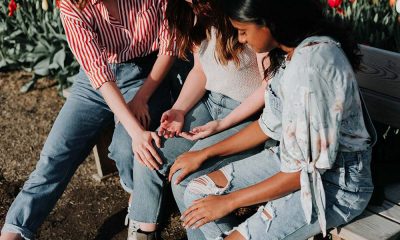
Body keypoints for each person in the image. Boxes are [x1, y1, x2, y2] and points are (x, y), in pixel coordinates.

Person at [180, 0, 377, 239]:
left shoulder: (311, 68)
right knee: (196, 192)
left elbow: (301, 175)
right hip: (290, 161)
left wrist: (229, 202)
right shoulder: (290, 53)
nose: (240, 40)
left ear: (270, 22)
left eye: (243, 31)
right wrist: (205, 153)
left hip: (335, 186)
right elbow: (267, 127)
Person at [0, 0, 178, 239]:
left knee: (127, 149)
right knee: (55, 156)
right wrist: (135, 130)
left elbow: (170, 45)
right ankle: (15, 230)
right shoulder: (72, 5)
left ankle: (138, 199)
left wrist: (142, 98)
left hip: (145, 75)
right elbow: (99, 74)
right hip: (95, 83)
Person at [118, 0, 271, 239]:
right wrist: (179, 110)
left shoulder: (241, 11)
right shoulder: (189, 11)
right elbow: (201, 71)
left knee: (186, 179)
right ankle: (142, 233)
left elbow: (268, 87)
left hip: (247, 115)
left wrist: (223, 124)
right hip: (209, 104)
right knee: (149, 153)